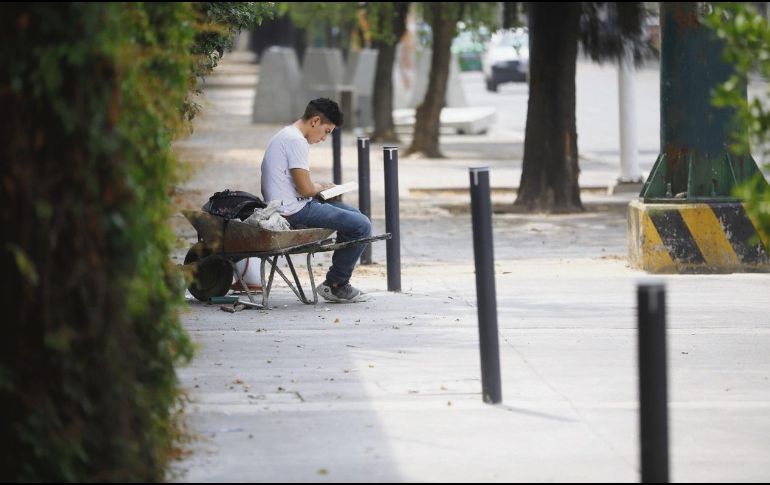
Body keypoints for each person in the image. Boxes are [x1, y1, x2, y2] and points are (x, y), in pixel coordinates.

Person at [260, 98, 371, 303]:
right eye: (327, 131)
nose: (324, 138)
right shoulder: (296, 141)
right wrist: (320, 188)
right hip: (292, 211)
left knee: (356, 216)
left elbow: (297, 184)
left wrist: (319, 188)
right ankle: (336, 285)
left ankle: (337, 281)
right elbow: (305, 189)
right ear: (315, 121)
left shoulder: (287, 134)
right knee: (362, 225)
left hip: (291, 204)